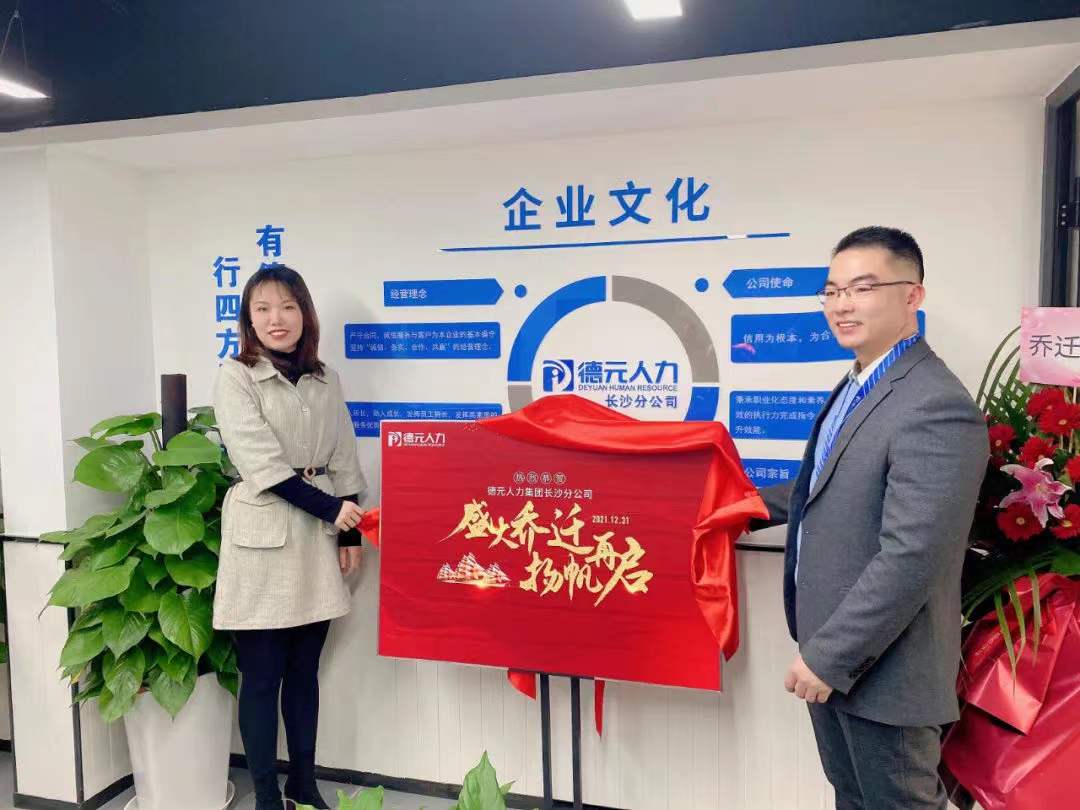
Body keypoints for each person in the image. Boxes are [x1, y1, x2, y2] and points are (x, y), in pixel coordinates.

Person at [752, 227, 988, 809]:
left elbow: (914, 554)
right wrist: (730, 506)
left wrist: (829, 656)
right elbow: (824, 486)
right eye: (832, 291)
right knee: (853, 799)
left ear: (912, 296)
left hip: (884, 669)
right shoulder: (862, 381)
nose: (842, 305)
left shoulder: (934, 402)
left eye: (862, 288)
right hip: (835, 652)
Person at [213, 265, 367, 810]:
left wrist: (350, 535)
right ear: (248, 319)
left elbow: (344, 455)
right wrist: (335, 511)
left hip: (317, 538)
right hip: (262, 534)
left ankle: (303, 783)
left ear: (305, 313)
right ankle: (266, 797)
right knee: (261, 678)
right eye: (263, 309)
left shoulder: (325, 378)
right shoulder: (236, 375)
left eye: (287, 306)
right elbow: (263, 465)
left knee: (304, 673)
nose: (276, 319)